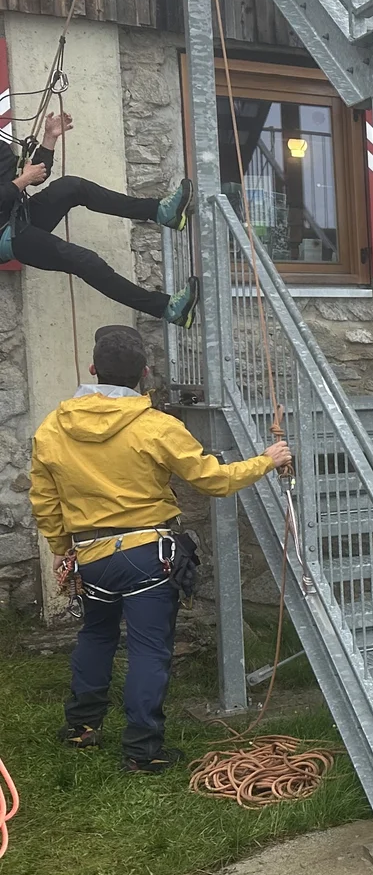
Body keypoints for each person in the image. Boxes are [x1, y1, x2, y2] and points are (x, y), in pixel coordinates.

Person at [31, 325, 290, 771]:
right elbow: (213, 479)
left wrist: (60, 546)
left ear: (93, 370)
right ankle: (142, 749)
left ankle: (81, 727)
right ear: (145, 374)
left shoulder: (53, 427)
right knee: (149, 650)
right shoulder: (156, 426)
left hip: (91, 554)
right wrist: (268, 460)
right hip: (147, 552)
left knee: (96, 635)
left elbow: (44, 498)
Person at [1, 112, 200, 324]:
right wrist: (23, 180)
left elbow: (35, 175)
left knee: (71, 187)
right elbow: (22, 181)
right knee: (84, 260)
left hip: (18, 216)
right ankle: (168, 309)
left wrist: (49, 138)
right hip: (4, 235)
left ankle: (161, 212)